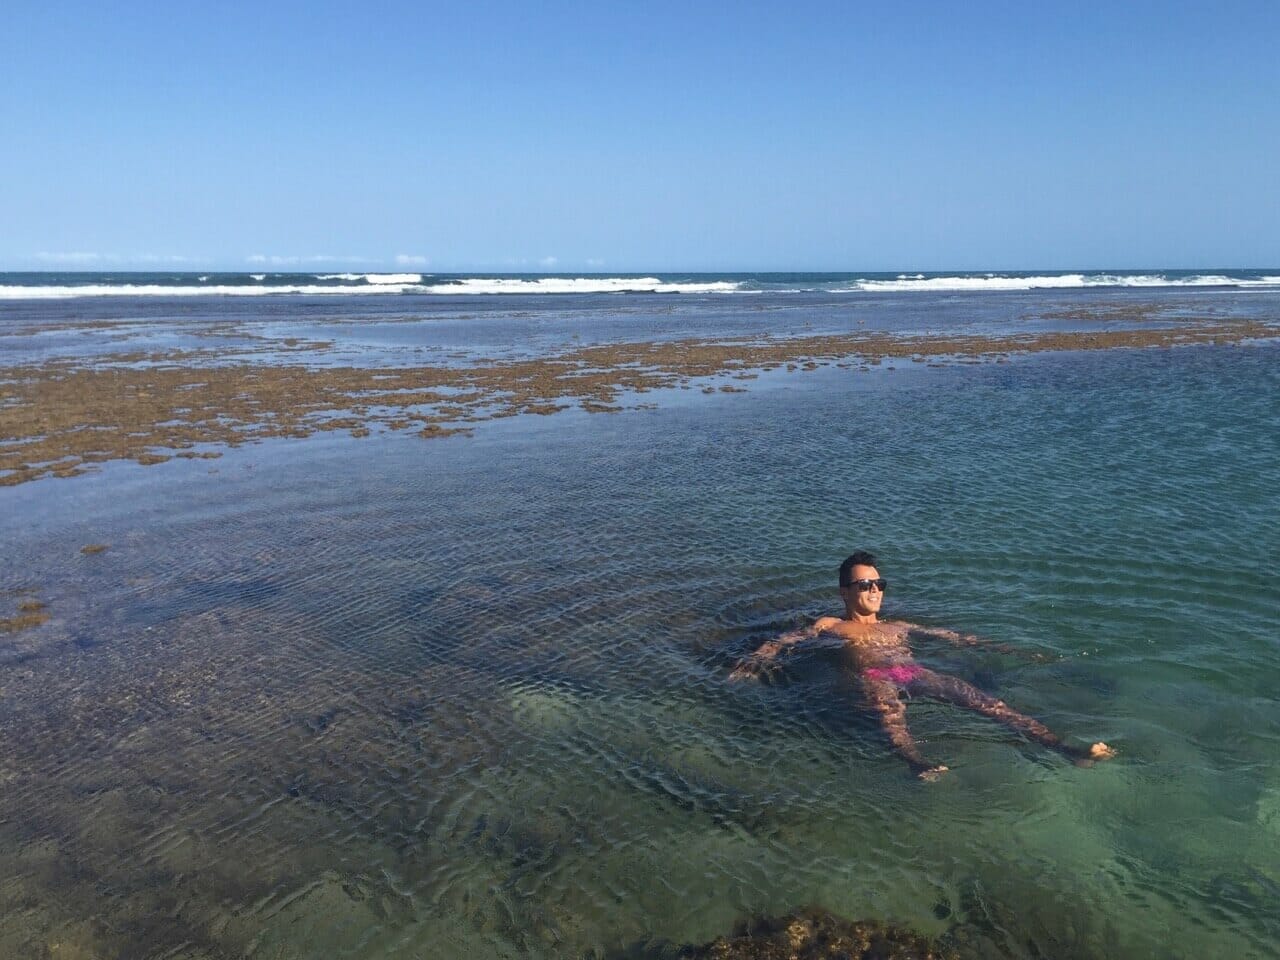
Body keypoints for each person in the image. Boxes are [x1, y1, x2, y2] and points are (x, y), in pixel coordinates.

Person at [730, 551, 1115, 780]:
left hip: (912, 672)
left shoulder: (897, 625)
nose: (875, 591)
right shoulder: (830, 625)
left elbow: (955, 638)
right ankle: (917, 764)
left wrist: (1012, 650)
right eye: (865, 585)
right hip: (873, 675)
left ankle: (1063, 748)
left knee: (988, 704)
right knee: (891, 716)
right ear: (845, 591)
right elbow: (786, 641)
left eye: (879, 584)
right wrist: (755, 661)